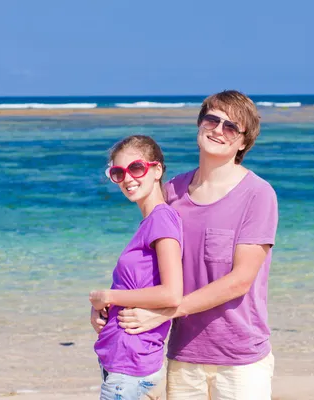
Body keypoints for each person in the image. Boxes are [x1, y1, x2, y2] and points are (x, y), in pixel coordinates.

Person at [91, 90, 279, 400]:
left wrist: (167, 311)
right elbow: (148, 266)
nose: (218, 129)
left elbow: (240, 281)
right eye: (212, 119)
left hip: (240, 358)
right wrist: (108, 307)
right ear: (199, 124)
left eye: (231, 126)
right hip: (183, 353)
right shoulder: (173, 192)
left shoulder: (258, 195)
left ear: (244, 142)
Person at [89, 135, 184, 400]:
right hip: (122, 363)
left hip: (130, 368)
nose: (128, 178)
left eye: (136, 168)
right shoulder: (151, 222)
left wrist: (108, 296)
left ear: (157, 170)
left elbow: (171, 293)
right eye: (118, 172)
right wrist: (101, 308)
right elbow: (137, 287)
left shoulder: (161, 219)